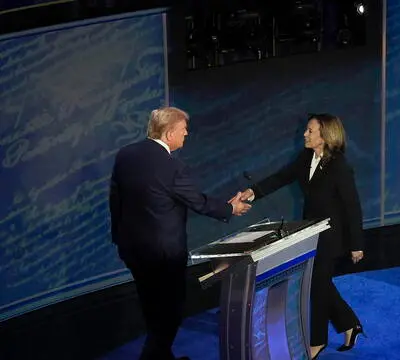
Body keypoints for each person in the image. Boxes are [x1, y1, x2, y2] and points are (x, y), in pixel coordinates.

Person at [109, 106, 251, 360]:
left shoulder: (126, 155)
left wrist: (119, 238)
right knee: (171, 310)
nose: (186, 135)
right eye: (184, 131)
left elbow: (115, 200)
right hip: (164, 253)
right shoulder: (171, 166)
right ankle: (152, 356)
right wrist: (231, 208)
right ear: (169, 133)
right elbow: (197, 201)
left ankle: (161, 355)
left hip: (131, 248)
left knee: (151, 304)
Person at [235, 113, 365, 359]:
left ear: (325, 136)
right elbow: (281, 177)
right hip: (310, 230)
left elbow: (352, 206)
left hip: (331, 234)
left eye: (310, 130)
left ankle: (318, 341)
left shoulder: (339, 165)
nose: (305, 134)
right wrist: (252, 191)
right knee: (321, 283)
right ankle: (350, 324)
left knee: (317, 286)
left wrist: (357, 244)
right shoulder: (306, 157)